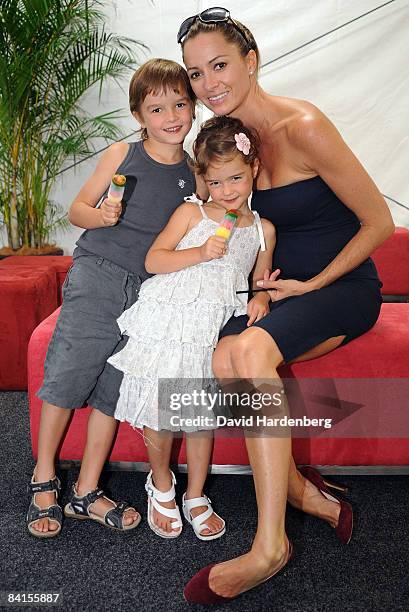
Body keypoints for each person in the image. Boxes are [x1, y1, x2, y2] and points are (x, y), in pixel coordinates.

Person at [177, 7, 395, 603]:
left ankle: (270, 544)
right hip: (273, 287)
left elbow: (378, 223)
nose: (208, 83)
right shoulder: (223, 145)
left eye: (219, 65)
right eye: (195, 74)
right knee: (221, 357)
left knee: (245, 351)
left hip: (339, 286)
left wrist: (314, 282)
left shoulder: (304, 125)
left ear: (251, 62)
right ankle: (301, 492)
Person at [27, 58, 204, 537]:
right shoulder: (120, 155)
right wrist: (100, 216)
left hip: (149, 294)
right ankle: (43, 478)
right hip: (99, 275)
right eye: (156, 107)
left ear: (193, 107)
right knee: (68, 372)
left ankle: (85, 491)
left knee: (114, 390)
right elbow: (77, 211)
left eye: (180, 104)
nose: (171, 116)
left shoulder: (195, 175)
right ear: (139, 115)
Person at [107, 115, 276, 541]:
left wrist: (262, 297)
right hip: (173, 318)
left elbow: (258, 280)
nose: (228, 191)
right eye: (217, 183)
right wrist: (201, 251)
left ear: (253, 168)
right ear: (204, 181)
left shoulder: (261, 229)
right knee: (163, 411)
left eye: (236, 178)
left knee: (199, 414)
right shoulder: (191, 213)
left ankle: (196, 494)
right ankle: (160, 482)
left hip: (212, 326)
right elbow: (154, 261)